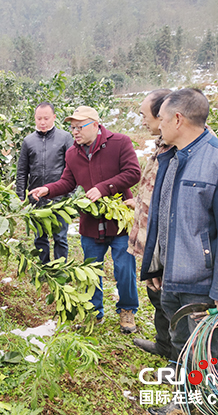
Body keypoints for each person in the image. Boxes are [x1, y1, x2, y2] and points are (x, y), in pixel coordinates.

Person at [141, 89, 218, 415]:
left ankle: (215, 407)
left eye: (162, 119)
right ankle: (186, 401)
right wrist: (156, 268)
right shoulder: (171, 157)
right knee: (182, 349)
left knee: (211, 356)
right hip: (173, 280)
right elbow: (164, 220)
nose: (158, 126)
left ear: (178, 119)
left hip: (202, 286)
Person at [29, 106, 141, 333]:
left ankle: (127, 310)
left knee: (124, 268)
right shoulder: (73, 153)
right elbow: (67, 183)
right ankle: (94, 312)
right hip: (90, 222)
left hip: (118, 220)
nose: (75, 132)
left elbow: (133, 173)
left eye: (80, 127)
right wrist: (47, 190)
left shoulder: (120, 142)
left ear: (95, 124)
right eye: (72, 127)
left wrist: (103, 188)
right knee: (90, 270)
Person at [125, 89, 174, 358]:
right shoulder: (161, 145)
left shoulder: (181, 151)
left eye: (145, 114)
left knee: (170, 299)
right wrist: (139, 203)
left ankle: (176, 357)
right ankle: (163, 345)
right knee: (156, 294)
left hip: (163, 242)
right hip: (149, 239)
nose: (143, 120)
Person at [16, 101, 74, 263]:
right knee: (40, 237)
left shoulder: (65, 138)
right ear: (34, 118)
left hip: (60, 198)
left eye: (46, 118)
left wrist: (70, 194)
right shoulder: (28, 141)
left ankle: (60, 268)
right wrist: (21, 196)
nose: (42, 122)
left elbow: (73, 167)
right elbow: (22, 171)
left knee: (60, 236)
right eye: (39, 118)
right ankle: (44, 268)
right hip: (36, 198)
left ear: (54, 117)